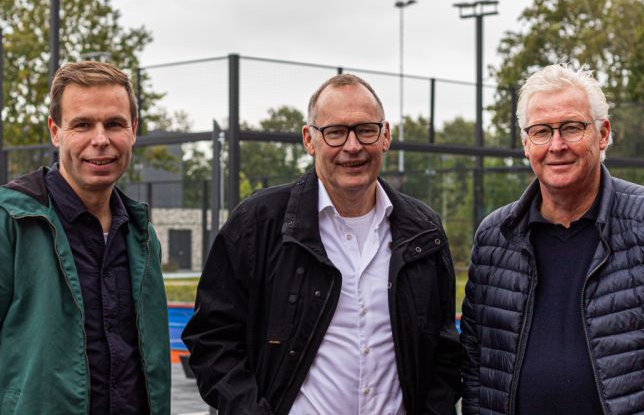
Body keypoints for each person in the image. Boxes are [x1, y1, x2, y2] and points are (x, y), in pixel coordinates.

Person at [182, 73, 462, 414]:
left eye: (366, 129)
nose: (353, 146)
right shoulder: (258, 224)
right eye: (335, 132)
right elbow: (212, 340)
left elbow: (444, 352)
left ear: (385, 135)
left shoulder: (424, 230)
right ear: (309, 139)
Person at [459, 63, 644, 414]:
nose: (557, 145)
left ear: (602, 134)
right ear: (525, 143)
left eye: (571, 127)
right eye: (541, 131)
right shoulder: (495, 238)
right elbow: (477, 363)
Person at [0, 61, 170, 414]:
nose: (100, 140)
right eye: (82, 124)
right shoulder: (1, 223)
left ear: (133, 129)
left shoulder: (140, 234)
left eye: (114, 123)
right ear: (56, 131)